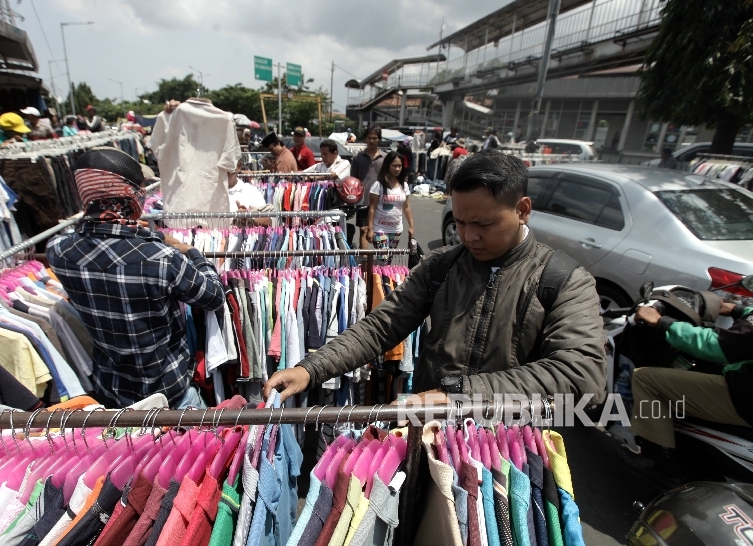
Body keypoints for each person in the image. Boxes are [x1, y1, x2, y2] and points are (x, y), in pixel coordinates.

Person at [263, 151, 607, 404]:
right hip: (433, 438)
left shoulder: (564, 281)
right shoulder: (442, 265)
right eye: (460, 222)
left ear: (522, 210)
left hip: (513, 447)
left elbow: (582, 376)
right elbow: (382, 326)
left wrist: (457, 394)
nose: (468, 235)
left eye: (483, 224)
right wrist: (311, 368)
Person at [47, 148, 225, 408]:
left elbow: (105, 251)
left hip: (112, 395)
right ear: (128, 195)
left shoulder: (59, 251)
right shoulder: (162, 258)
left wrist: (146, 237)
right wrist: (194, 254)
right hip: (170, 397)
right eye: (139, 189)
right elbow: (213, 296)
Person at [618, 301, 753, 482]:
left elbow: (717, 344)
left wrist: (663, 323)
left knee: (646, 379)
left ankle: (660, 464)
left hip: (743, 396)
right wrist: (738, 310)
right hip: (743, 379)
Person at [366, 151, 414, 252]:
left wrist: (411, 226)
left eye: (399, 166)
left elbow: (406, 207)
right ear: (387, 166)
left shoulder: (404, 186)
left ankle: (376, 268)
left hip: (396, 229)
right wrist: (370, 229)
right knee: (383, 258)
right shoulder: (378, 185)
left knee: (388, 261)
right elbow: (372, 208)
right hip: (380, 228)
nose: (397, 169)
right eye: (394, 165)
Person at [349, 125, 386, 249]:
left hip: (381, 200)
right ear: (365, 139)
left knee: (380, 232)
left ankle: (380, 264)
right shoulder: (358, 157)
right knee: (364, 230)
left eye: (375, 138)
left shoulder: (385, 158)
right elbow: (353, 179)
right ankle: (364, 261)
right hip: (363, 200)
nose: (372, 140)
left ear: (379, 139)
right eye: (369, 138)